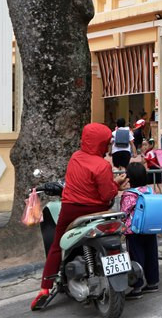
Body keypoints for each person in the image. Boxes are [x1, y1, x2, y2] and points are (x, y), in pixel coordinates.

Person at [31, 123, 130, 310]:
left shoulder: (75, 158)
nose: (108, 147)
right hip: (99, 211)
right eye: (106, 143)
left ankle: (45, 288)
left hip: (72, 210)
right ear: (100, 143)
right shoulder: (102, 165)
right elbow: (107, 194)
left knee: (57, 245)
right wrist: (116, 185)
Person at [120, 163, 160, 300]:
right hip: (149, 228)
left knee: (136, 257)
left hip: (134, 231)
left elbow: (123, 213)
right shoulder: (150, 190)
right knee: (151, 255)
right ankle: (153, 282)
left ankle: (137, 287)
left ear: (129, 177)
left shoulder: (129, 194)